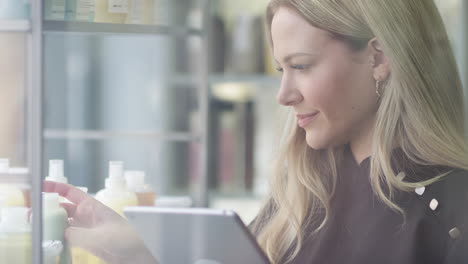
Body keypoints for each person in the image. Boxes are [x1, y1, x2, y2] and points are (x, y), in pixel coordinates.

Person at [45, 0, 468, 263]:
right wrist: (140, 250)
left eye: (300, 66)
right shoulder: (303, 193)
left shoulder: (451, 208)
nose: (284, 94)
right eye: (281, 69)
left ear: (378, 56)